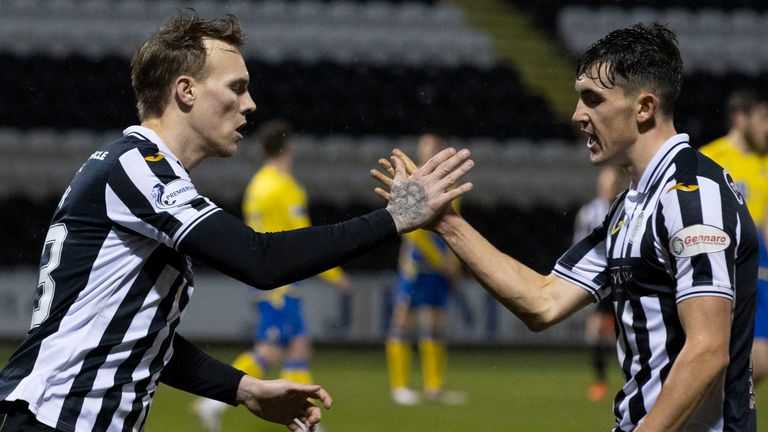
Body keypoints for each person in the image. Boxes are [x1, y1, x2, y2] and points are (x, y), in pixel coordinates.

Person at [0, 10, 474, 432]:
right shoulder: (136, 167)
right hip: (57, 417)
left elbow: (139, 335)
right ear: (185, 90)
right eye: (237, 88)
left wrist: (243, 389)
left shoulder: (138, 169)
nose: (250, 105)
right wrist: (395, 218)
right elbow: (259, 260)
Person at [374, 23, 757, 431]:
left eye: (593, 100)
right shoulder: (630, 206)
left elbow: (708, 349)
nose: (578, 115)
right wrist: (444, 221)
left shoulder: (693, 194)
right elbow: (543, 302)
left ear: (644, 107)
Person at [193, 120, 352, 432]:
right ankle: (301, 420)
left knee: (291, 346)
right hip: (283, 281)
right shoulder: (284, 187)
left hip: (264, 277)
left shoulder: (257, 186)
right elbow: (306, 239)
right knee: (276, 348)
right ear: (287, 148)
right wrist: (336, 275)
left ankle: (303, 420)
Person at [385, 133, 467, 406]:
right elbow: (413, 232)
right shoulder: (411, 183)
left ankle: (434, 387)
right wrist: (441, 262)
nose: (426, 153)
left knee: (434, 323)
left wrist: (454, 263)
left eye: (431, 148)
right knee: (402, 321)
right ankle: (399, 387)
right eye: (423, 148)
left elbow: (455, 227)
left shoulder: (449, 184)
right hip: (417, 265)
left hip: (439, 267)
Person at [699, 87, 768, 388]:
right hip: (720, 260)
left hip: (759, 265)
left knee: (759, 357)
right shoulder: (710, 157)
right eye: (762, 118)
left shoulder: (764, 163)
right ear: (741, 119)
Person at [572, 166, 627, 402]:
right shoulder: (588, 212)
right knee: (596, 333)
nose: (606, 187)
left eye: (610, 182)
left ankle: (636, 380)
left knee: (627, 334)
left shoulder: (627, 207)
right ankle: (601, 381)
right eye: (603, 183)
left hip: (623, 278)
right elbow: (579, 243)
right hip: (601, 278)